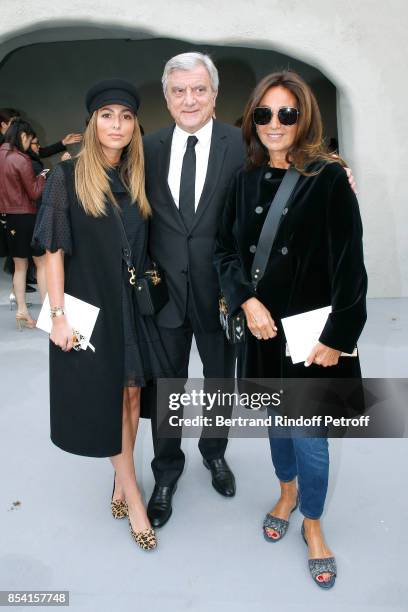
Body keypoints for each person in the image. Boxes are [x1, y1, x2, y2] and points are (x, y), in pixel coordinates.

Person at [214, 70, 367, 589]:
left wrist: (339, 338)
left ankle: (314, 523)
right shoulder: (243, 179)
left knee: (312, 439)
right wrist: (245, 299)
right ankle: (285, 491)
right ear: (252, 119)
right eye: (264, 114)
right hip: (261, 332)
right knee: (276, 424)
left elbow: (351, 265)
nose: (274, 124)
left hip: (312, 336)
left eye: (287, 114)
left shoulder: (327, 178)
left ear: (304, 120)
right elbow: (225, 251)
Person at [32, 79, 173, 551]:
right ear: (92, 123)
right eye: (107, 115)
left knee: (133, 398)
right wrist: (57, 315)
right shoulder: (65, 177)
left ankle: (119, 479)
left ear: (135, 125)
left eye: (126, 116)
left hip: (132, 305)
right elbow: (52, 250)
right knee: (109, 402)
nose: (117, 125)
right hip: (90, 307)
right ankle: (133, 494)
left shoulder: (138, 174)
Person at [143, 52, 244, 528]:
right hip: (165, 296)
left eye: (199, 89)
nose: (189, 99)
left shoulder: (241, 145)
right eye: (179, 90)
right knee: (169, 389)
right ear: (166, 98)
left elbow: (279, 183)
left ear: (214, 95)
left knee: (221, 381)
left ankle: (215, 452)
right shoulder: (148, 147)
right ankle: (165, 472)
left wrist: (335, 173)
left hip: (221, 294)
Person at [0, 119, 46, 328]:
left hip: (10, 218)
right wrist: (43, 177)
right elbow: (35, 192)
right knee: (42, 264)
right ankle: (48, 314)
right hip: (28, 215)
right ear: (24, 136)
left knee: (20, 267)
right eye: (30, 139)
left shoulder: (1, 154)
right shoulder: (21, 159)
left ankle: (22, 312)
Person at [0, 107, 82, 156]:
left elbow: (40, 152)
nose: (18, 125)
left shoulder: (18, 137)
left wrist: (64, 142)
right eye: (14, 122)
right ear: (3, 124)